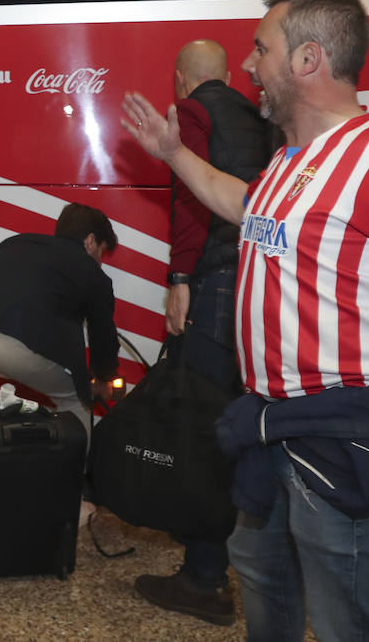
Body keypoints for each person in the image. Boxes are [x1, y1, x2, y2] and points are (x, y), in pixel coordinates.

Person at [121, 0, 369, 641]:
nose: (247, 65)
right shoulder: (290, 162)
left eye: (260, 49)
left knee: (353, 622)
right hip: (276, 433)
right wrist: (174, 153)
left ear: (306, 61)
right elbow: (245, 204)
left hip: (354, 440)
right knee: (266, 589)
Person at [134, 39, 276, 627]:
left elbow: (191, 200)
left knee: (203, 429)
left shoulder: (194, 112)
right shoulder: (260, 118)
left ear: (179, 80)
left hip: (216, 285)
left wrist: (180, 276)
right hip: (260, 289)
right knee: (243, 428)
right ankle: (252, 566)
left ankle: (203, 577)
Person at [0, 203, 119, 448]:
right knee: (77, 401)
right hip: (19, 343)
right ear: (90, 241)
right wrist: (104, 379)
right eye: (102, 251)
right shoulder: (92, 272)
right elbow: (103, 336)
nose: (100, 261)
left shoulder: (18, 243)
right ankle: (70, 483)